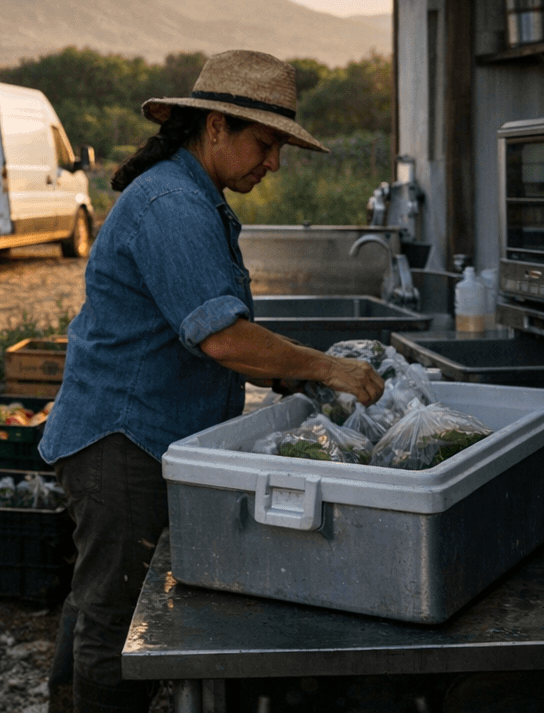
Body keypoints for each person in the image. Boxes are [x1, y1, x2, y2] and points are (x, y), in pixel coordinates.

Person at [37, 50, 384, 713]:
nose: (274, 162)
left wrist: (290, 378)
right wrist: (324, 367)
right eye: (266, 143)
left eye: (280, 147)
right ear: (216, 127)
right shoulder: (173, 203)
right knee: (113, 619)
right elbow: (222, 337)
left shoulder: (192, 194)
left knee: (99, 598)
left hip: (132, 432)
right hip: (124, 443)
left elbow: (207, 329)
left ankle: (66, 701)